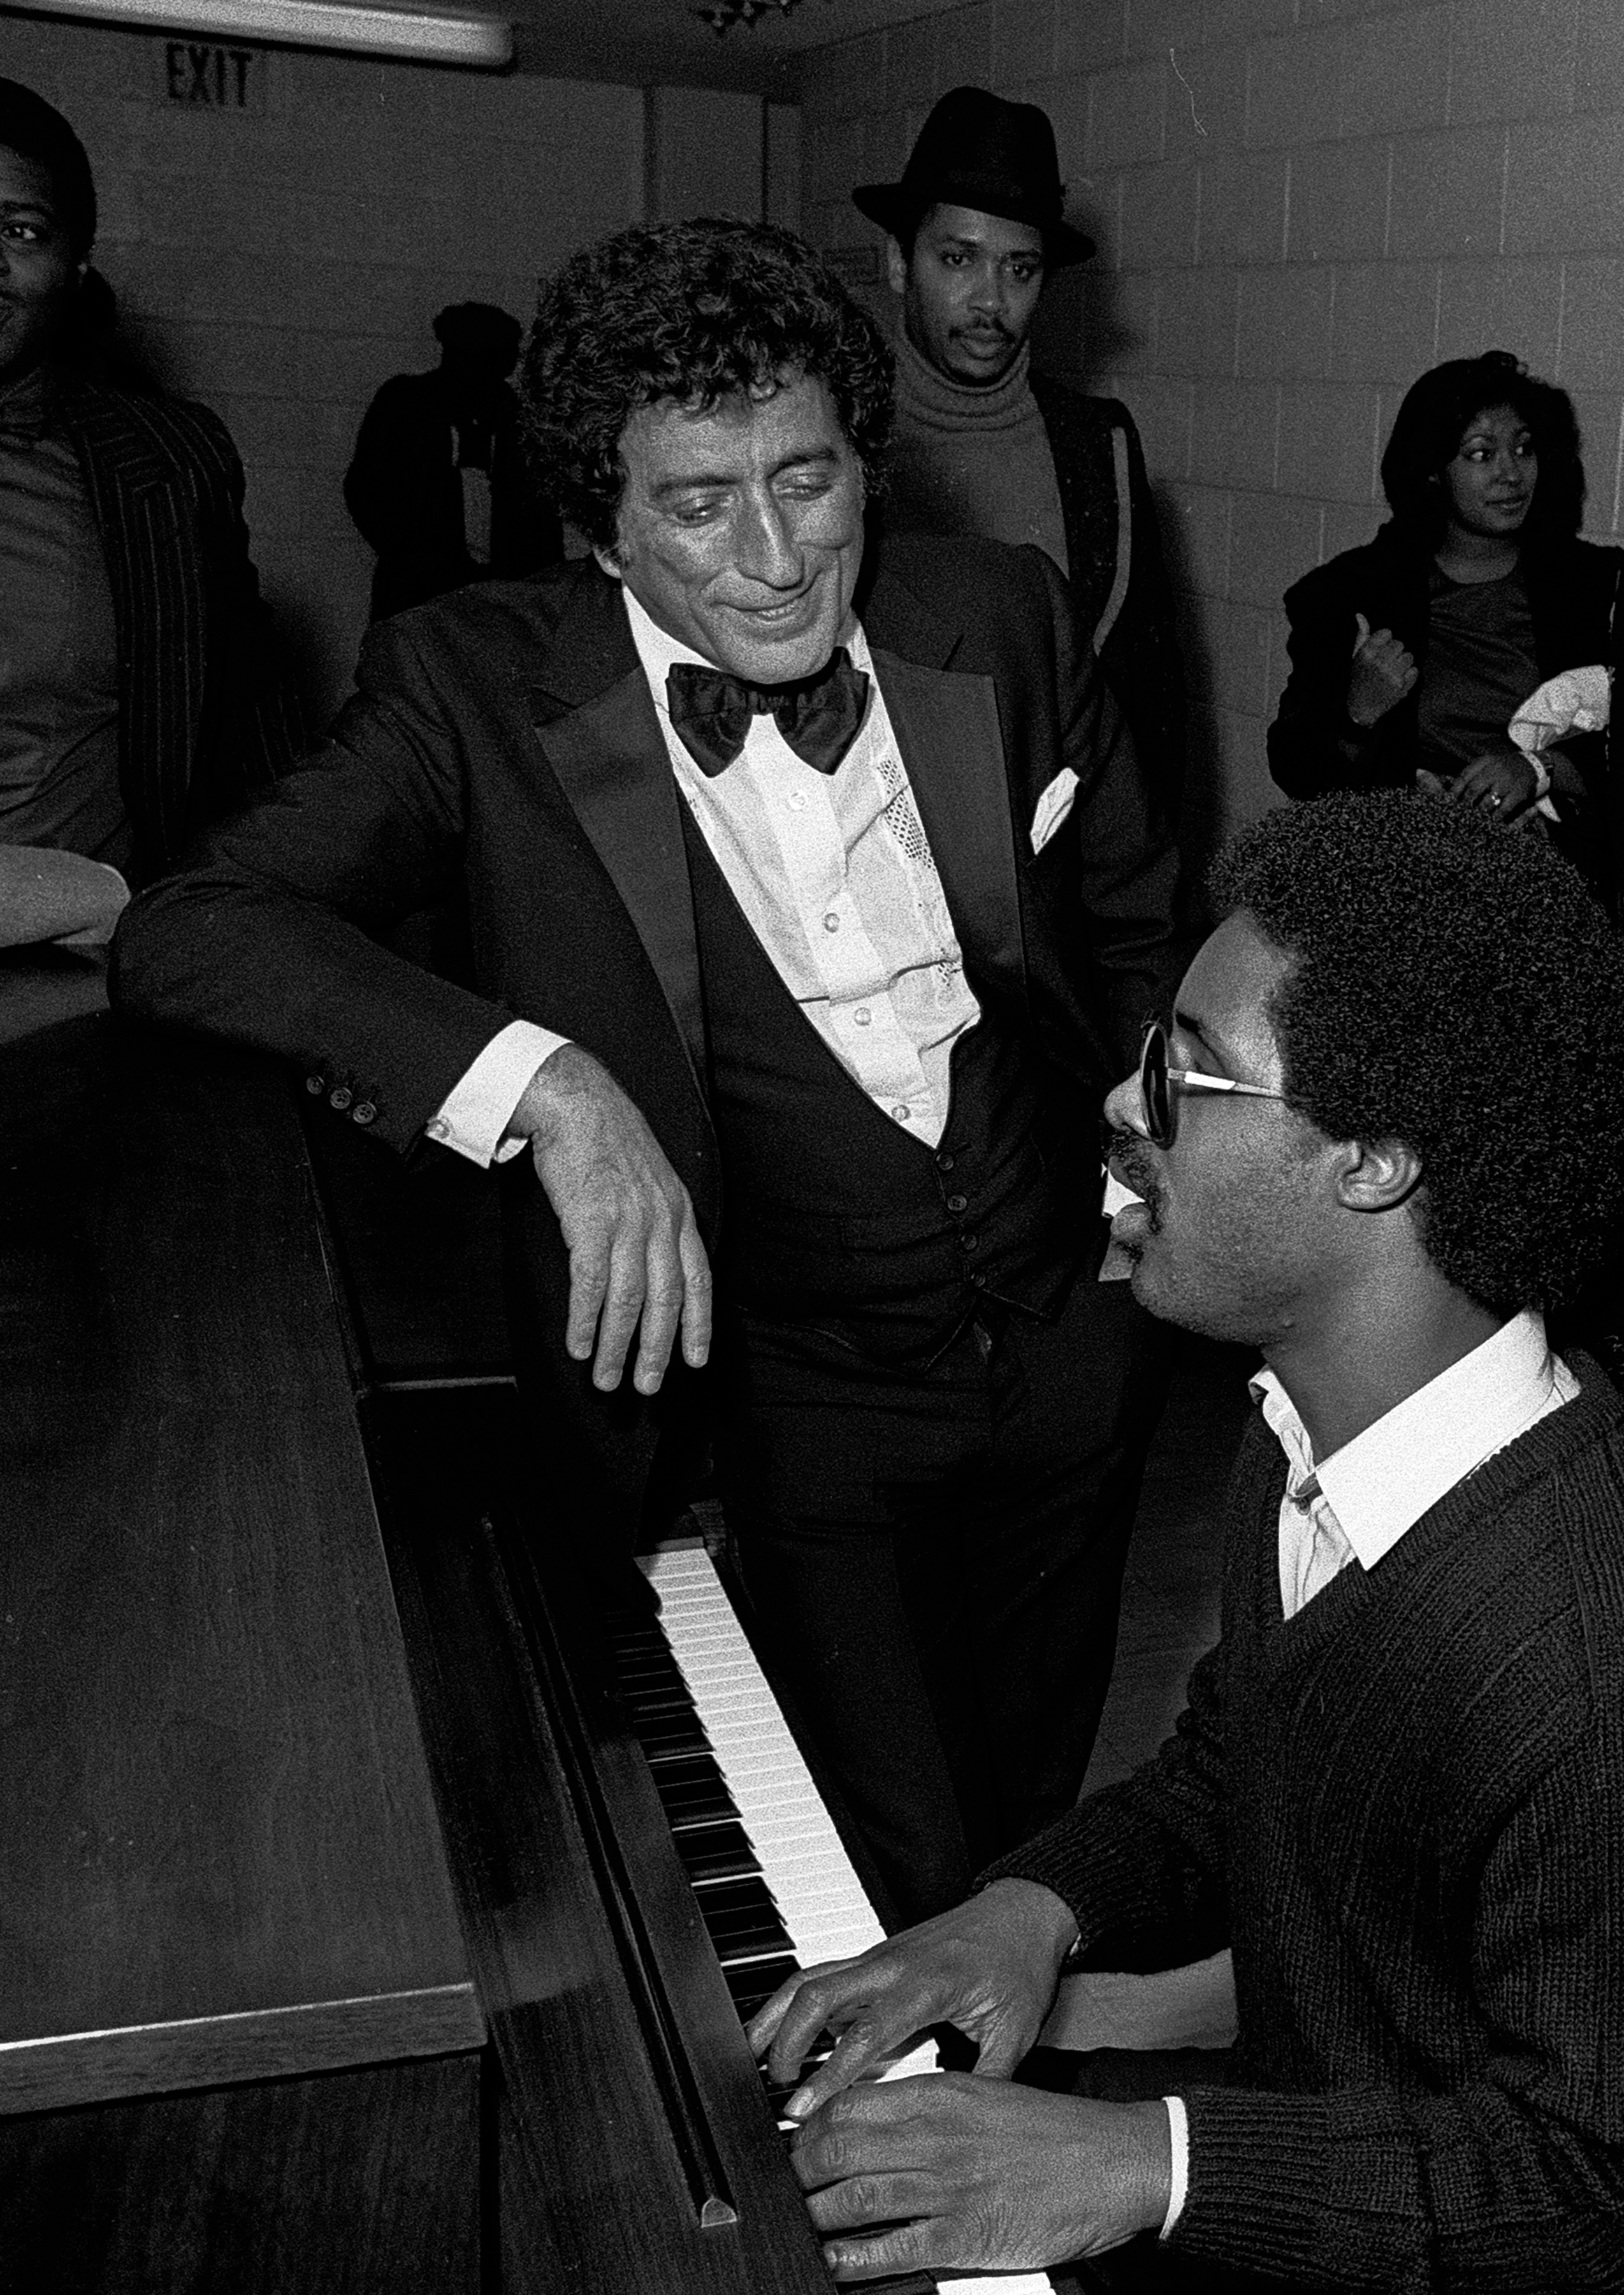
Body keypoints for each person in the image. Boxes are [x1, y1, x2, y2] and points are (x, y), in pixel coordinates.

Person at [113, 217, 1182, 1925]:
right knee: (893, 1864)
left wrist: (1144, 1174)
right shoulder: (472, 685)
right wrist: (545, 1084)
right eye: (697, 506)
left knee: (1035, 1821)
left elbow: (1133, 925)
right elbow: (192, 925)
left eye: (807, 480)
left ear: (863, 463)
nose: (775, 556)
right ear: (602, 528)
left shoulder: (1003, 615)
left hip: (1073, 1338)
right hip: (799, 1400)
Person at [749, 792, 1624, 2293]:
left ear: (1372, 1160)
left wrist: (1146, 2163)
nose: (1123, 1100)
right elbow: (1242, 1761)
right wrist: (1029, 1912)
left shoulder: (1610, 1672)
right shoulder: (1306, 1424)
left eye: (1188, 1068)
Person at [854, 86, 1185, 816]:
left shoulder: (1097, 442)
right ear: (900, 263)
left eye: (1020, 269)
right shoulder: (837, 432)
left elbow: (1149, 700)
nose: (990, 301)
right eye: (958, 259)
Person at [0, 76, 294, 888]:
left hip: (77, 947)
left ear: (76, 268)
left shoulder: (168, 460)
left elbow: (250, 723)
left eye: (22, 231)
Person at [1268, 351, 1624, 905]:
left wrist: (1539, 771)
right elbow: (1295, 768)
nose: (1511, 474)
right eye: (1481, 454)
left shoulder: (1597, 586)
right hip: (1400, 888)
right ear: (1432, 469)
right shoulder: (1357, 593)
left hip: (1549, 891)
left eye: (1524, 449)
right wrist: (1358, 714)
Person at [344, 300, 562, 623]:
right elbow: (364, 488)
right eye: (496, 357)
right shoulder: (406, 403)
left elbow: (542, 515)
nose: (508, 367)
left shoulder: (519, 417)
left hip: (500, 594)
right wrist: (410, 557)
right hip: (419, 590)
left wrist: (541, 592)